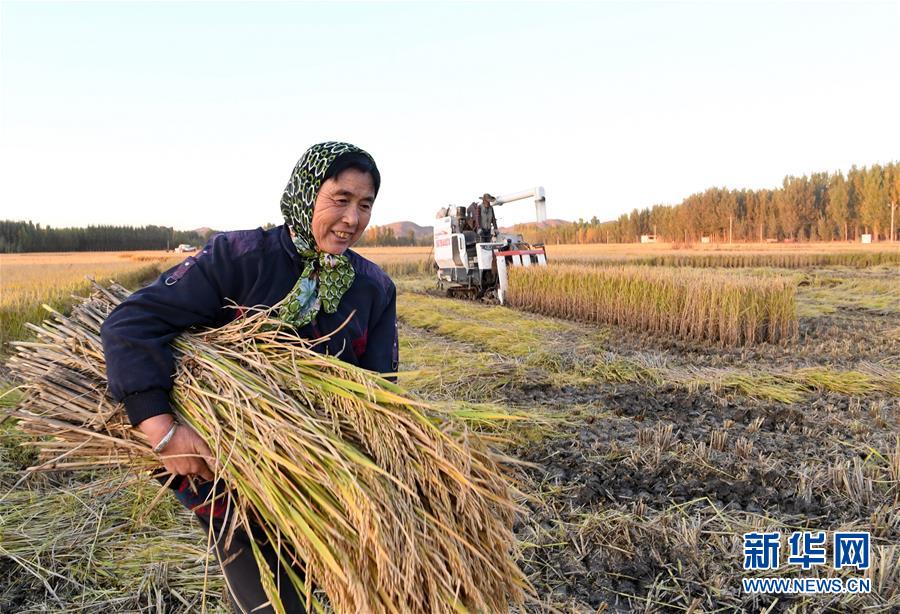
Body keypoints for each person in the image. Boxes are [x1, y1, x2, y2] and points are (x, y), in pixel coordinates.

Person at [100, 141, 398, 613]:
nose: (352, 219)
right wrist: (161, 429)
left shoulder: (373, 287)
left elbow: (380, 391)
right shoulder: (240, 257)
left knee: (308, 571)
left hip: (314, 472)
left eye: (365, 205)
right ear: (305, 193)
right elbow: (131, 323)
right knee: (268, 592)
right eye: (340, 199)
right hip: (221, 463)